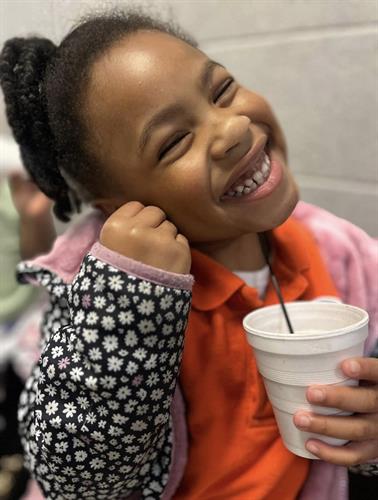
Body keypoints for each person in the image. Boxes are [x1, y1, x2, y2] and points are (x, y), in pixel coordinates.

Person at [0, 9, 377, 500]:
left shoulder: (339, 250)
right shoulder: (100, 299)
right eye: (175, 141)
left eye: (221, 90)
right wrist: (128, 303)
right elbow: (74, 480)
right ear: (116, 206)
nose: (232, 129)